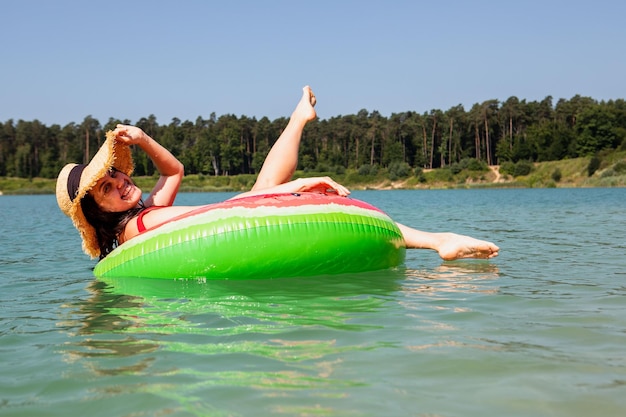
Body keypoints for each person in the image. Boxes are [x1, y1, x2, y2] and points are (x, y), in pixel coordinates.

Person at [56, 86, 499, 261]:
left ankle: (298, 119)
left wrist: (144, 140)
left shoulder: (139, 216)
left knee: (262, 187)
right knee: (266, 191)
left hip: (219, 223)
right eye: (108, 189)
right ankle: (437, 239)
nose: (121, 183)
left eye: (115, 174)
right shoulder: (144, 224)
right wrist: (299, 186)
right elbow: (224, 210)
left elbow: (175, 172)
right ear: (96, 211)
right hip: (228, 229)